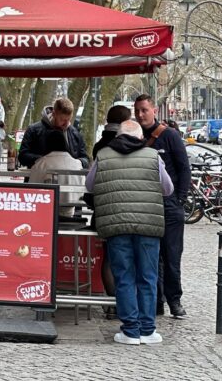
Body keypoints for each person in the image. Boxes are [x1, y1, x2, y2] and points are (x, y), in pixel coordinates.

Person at [86, 120, 174, 345]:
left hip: (116, 224)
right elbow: (168, 188)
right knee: (147, 277)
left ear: (119, 136)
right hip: (147, 224)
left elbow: (90, 184)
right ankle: (147, 329)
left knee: (124, 277)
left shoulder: (103, 155)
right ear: (139, 137)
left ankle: (130, 331)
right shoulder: (153, 156)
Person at [134, 94, 191, 319]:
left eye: (144, 110)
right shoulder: (135, 137)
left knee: (171, 256)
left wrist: (180, 199)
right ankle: (155, 301)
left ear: (154, 110)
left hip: (169, 206)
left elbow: (184, 168)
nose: (140, 115)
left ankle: (174, 300)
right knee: (149, 256)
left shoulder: (169, 136)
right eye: (137, 110)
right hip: (146, 206)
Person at [89, 104, 131, 320]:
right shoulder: (135, 144)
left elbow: (90, 183)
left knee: (109, 257)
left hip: (104, 208)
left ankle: (112, 301)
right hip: (130, 208)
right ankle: (125, 304)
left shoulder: (100, 146)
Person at [19, 98, 89, 169]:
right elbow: (22, 156)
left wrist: (76, 162)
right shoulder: (33, 130)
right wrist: (46, 160)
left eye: (69, 119)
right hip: (39, 178)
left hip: (67, 179)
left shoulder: (75, 134)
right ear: (53, 114)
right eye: (62, 120)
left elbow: (85, 159)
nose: (66, 123)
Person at [27, 131, 84, 218]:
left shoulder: (41, 164)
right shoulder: (77, 164)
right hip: (69, 213)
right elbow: (81, 192)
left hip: (45, 214)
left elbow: (31, 192)